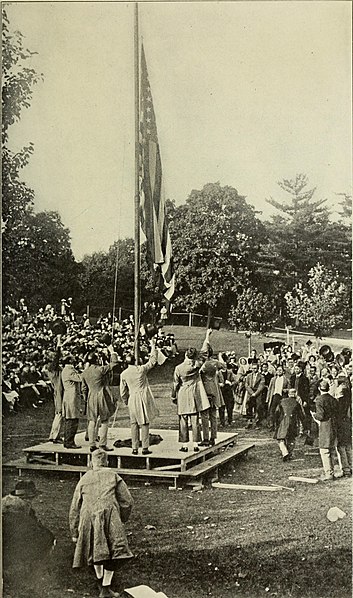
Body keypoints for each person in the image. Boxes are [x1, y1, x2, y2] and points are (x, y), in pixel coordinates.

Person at [69, 449, 133, 598]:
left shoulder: (84, 479)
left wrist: (74, 532)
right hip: (109, 516)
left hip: (88, 517)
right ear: (107, 462)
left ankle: (101, 583)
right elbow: (128, 501)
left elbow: (74, 507)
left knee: (95, 549)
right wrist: (121, 518)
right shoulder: (113, 476)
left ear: (91, 463)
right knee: (114, 551)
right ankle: (105, 586)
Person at [2, 481, 55, 580]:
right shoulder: (20, 508)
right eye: (31, 498)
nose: (31, 501)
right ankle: (36, 570)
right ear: (26, 498)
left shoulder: (5, 502)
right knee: (45, 539)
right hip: (12, 540)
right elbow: (31, 526)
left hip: (7, 538)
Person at [120, 339, 158, 455]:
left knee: (134, 423)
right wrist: (153, 346)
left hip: (132, 398)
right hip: (141, 397)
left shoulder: (124, 374)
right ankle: (145, 447)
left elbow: (122, 392)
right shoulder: (140, 370)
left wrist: (126, 401)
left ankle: (134, 448)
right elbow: (152, 361)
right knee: (144, 422)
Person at [172, 347, 209, 452]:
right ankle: (195, 444)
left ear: (185, 355)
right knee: (195, 420)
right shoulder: (196, 366)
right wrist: (207, 338)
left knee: (183, 420)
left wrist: (173, 395)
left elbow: (175, 383)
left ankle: (184, 445)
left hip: (183, 393)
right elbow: (204, 355)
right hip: (193, 393)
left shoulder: (179, 368)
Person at [81, 350, 117, 452]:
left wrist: (86, 399)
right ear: (96, 360)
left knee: (92, 421)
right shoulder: (100, 370)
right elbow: (114, 364)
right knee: (105, 420)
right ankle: (102, 444)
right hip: (101, 396)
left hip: (91, 396)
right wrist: (112, 352)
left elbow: (83, 389)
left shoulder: (84, 373)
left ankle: (92, 444)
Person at [199, 329, 225, 446]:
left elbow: (203, 349)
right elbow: (224, 365)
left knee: (204, 416)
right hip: (214, 391)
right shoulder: (214, 363)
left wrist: (207, 336)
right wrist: (220, 357)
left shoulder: (202, 364)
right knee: (213, 416)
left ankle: (205, 438)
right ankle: (213, 437)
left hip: (204, 391)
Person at [311, 380, 339, 481]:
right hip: (334, 425)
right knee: (331, 449)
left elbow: (321, 415)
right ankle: (332, 472)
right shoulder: (333, 399)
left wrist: (314, 415)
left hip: (325, 426)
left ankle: (328, 473)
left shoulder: (319, 400)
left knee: (324, 450)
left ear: (319, 388)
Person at [275, 388, 306, 461]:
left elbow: (276, 412)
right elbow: (301, 415)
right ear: (295, 395)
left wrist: (276, 422)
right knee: (291, 439)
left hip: (283, 422)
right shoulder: (296, 403)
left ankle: (285, 453)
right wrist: (303, 425)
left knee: (280, 439)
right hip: (292, 422)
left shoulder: (282, 401)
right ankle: (289, 453)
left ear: (288, 394)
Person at [62, 352, 82, 449]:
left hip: (70, 397)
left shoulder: (68, 370)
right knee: (72, 420)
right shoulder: (69, 371)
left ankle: (68, 441)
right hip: (71, 398)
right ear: (69, 361)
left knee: (70, 420)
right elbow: (80, 378)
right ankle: (69, 442)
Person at [46, 340, 64, 443]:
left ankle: (53, 435)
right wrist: (58, 346)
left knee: (58, 414)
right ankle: (55, 436)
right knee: (59, 413)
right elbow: (56, 358)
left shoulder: (53, 368)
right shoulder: (52, 368)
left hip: (58, 391)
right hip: (59, 392)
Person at [335, 373, 352, 477]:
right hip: (347, 421)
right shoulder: (348, 396)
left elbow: (338, 412)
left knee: (341, 446)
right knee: (348, 446)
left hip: (341, 422)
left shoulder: (340, 401)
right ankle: (351, 465)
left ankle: (346, 468)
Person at [244, 361, 265, 427]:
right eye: (253, 368)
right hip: (250, 393)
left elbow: (261, 386)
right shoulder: (248, 376)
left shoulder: (261, 376)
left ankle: (257, 422)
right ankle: (249, 421)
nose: (254, 370)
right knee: (248, 407)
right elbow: (246, 385)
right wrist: (251, 393)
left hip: (257, 393)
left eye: (255, 368)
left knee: (258, 407)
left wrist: (255, 393)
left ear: (258, 369)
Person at [218, 355, 237, 426]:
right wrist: (220, 384)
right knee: (221, 407)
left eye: (225, 365)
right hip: (221, 391)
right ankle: (222, 422)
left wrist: (230, 383)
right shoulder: (218, 373)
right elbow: (215, 382)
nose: (224, 366)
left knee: (230, 406)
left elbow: (235, 381)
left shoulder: (230, 372)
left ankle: (230, 420)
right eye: (223, 365)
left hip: (228, 391)